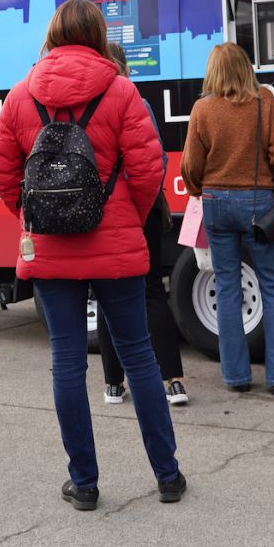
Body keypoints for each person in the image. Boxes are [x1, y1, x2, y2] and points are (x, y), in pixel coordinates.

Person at [0, 0, 186, 510]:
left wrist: (35, 217)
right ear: (99, 35)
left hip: (50, 250)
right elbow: (148, 170)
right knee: (139, 356)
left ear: (53, 35)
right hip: (116, 245)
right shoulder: (121, 91)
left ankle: (84, 484)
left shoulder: (20, 96)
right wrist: (123, 217)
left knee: (67, 362)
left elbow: (3, 175)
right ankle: (167, 476)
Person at [180, 42, 274, 395]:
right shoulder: (263, 102)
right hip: (257, 201)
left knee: (226, 286)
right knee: (273, 284)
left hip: (214, 202)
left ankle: (236, 376)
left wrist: (199, 188)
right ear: (245, 69)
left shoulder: (202, 109)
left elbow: (190, 165)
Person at [95, 42, 188, 407]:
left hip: (98, 214)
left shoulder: (86, 106)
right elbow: (156, 160)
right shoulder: (136, 100)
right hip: (138, 210)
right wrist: (140, 200)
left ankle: (113, 384)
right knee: (150, 290)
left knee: (106, 294)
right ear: (123, 66)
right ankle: (173, 382)